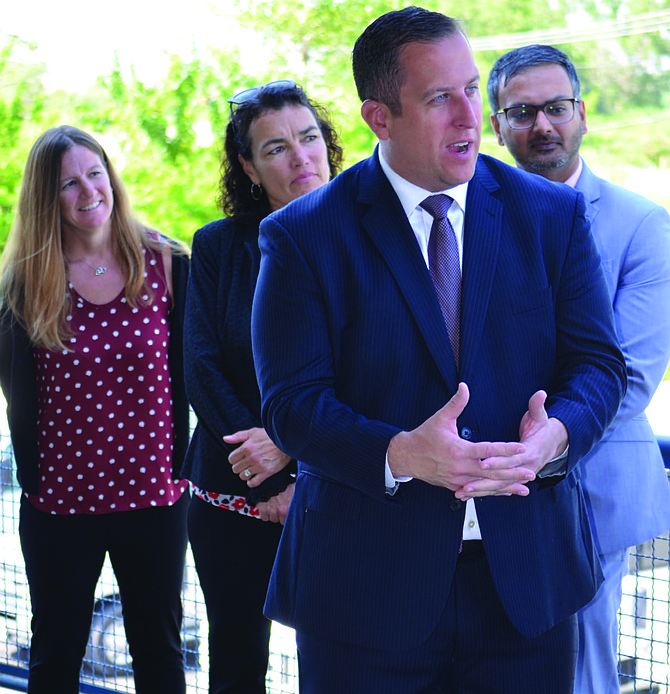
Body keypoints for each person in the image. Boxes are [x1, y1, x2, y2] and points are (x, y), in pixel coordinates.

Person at [250, 7, 628, 694]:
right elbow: (292, 406)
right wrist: (399, 453)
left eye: (470, 88)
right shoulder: (302, 236)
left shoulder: (550, 213)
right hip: (365, 589)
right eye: (438, 99)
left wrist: (556, 437)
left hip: (527, 585)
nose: (469, 116)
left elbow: (600, 367)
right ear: (379, 117)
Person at [487, 44, 670, 694]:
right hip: (485, 488)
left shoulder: (643, 224)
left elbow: (630, 373)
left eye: (556, 107)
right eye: (523, 111)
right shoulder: (470, 221)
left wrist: (540, 443)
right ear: (498, 125)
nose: (543, 125)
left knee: (585, 669)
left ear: (582, 114)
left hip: (591, 487)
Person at [0, 125, 190, 694]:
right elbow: (16, 389)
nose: (87, 192)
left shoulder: (166, 261)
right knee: (56, 657)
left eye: (95, 174)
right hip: (60, 507)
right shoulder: (24, 283)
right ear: (45, 198)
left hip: (154, 499)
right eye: (67, 184)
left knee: (159, 656)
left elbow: (194, 375)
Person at [180, 80, 342, 694]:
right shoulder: (218, 246)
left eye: (308, 139)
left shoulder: (368, 239)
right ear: (248, 166)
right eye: (275, 148)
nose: (300, 156)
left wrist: (293, 457)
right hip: (232, 494)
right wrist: (269, 472)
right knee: (237, 662)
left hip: (334, 488)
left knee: (336, 661)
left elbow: (368, 374)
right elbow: (201, 366)